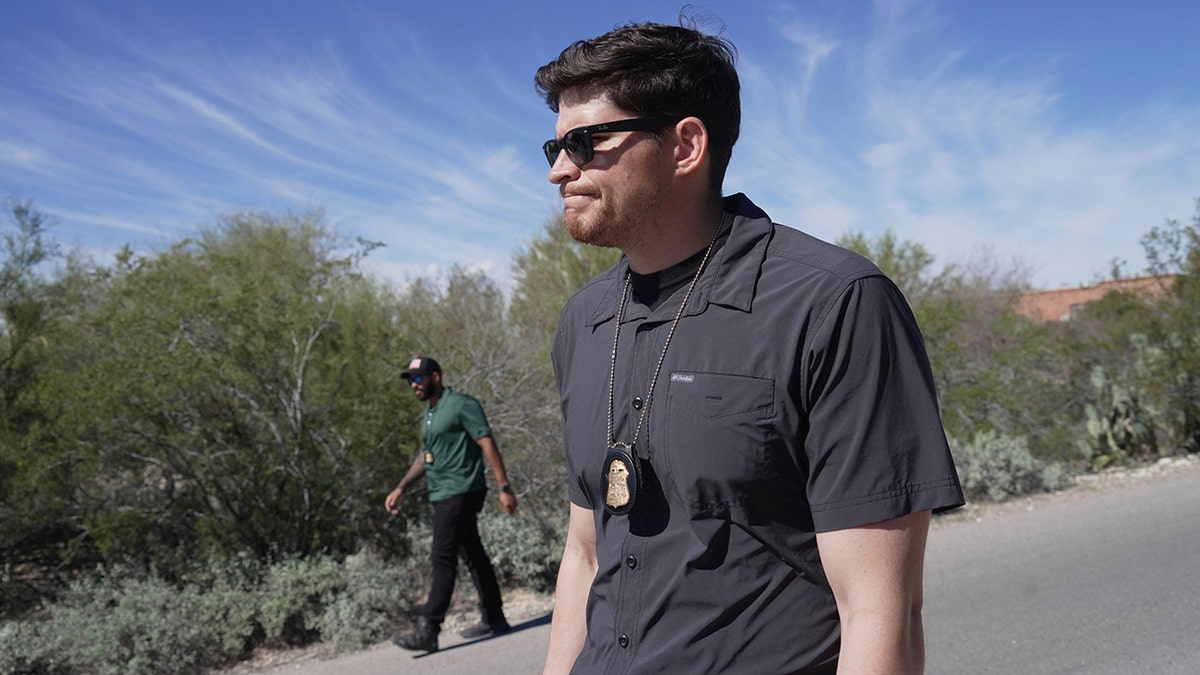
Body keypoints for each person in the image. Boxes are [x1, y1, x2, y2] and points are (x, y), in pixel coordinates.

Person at [535, 21, 965, 674]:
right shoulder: (585, 319)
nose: (560, 169)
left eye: (586, 142)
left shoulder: (833, 303)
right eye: (554, 146)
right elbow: (585, 551)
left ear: (685, 145)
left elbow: (879, 608)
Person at [385, 356, 518, 653]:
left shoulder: (461, 404)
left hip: (461, 491)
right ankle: (495, 617)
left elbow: (487, 443)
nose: (414, 385)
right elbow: (425, 456)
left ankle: (428, 629)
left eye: (418, 378)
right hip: (443, 492)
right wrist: (401, 487)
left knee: (442, 558)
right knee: (473, 554)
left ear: (436, 376)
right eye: (410, 380)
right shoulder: (430, 414)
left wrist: (504, 487)